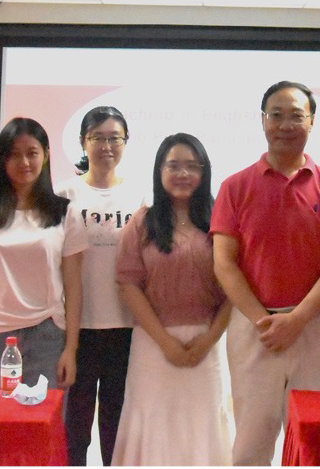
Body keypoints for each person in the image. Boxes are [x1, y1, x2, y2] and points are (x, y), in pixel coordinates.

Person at [212, 81, 320, 466]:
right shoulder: (235, 186)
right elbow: (224, 263)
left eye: (296, 115)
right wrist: (264, 321)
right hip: (253, 328)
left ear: (312, 121)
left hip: (313, 327)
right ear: (263, 121)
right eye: (276, 115)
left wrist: (297, 320)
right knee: (251, 441)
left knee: (310, 437)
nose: (286, 125)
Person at [112, 133, 232, 466]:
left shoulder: (221, 221)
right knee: (153, 426)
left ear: (204, 172)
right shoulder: (142, 223)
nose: (183, 174)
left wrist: (209, 339)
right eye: (174, 165)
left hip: (206, 347)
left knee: (205, 424)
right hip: (152, 346)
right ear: (159, 171)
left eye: (192, 166)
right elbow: (128, 285)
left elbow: (234, 291)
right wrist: (166, 343)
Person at [0, 117, 84, 390]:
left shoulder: (65, 213)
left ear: (46, 155)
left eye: (32, 153)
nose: (24, 162)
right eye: (14, 154)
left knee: (44, 415)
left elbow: (74, 286)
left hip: (48, 335)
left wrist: (70, 349)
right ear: (2, 160)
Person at [55, 106, 145, 466]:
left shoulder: (140, 195)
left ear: (125, 142)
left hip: (126, 327)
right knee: (74, 426)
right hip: (77, 328)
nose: (106, 146)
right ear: (83, 141)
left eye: (114, 138)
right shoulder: (63, 194)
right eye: (98, 138)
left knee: (116, 426)